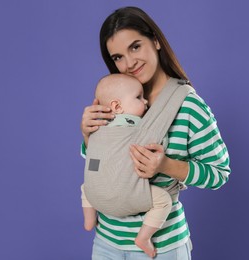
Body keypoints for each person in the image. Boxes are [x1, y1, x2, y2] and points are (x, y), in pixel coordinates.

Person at [80, 6, 231, 259]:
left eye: (135, 47)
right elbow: (103, 168)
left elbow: (219, 174)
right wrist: (88, 136)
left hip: (161, 246)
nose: (129, 63)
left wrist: (165, 165)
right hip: (106, 240)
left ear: (156, 41)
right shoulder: (116, 98)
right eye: (117, 57)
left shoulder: (189, 106)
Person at [81, 73, 173, 258]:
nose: (145, 101)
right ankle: (144, 237)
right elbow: (157, 141)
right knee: (163, 200)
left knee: (86, 188)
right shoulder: (138, 126)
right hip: (126, 191)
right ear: (117, 106)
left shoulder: (96, 126)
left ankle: (89, 220)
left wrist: (86, 135)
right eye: (139, 97)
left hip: (97, 191)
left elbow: (93, 157)